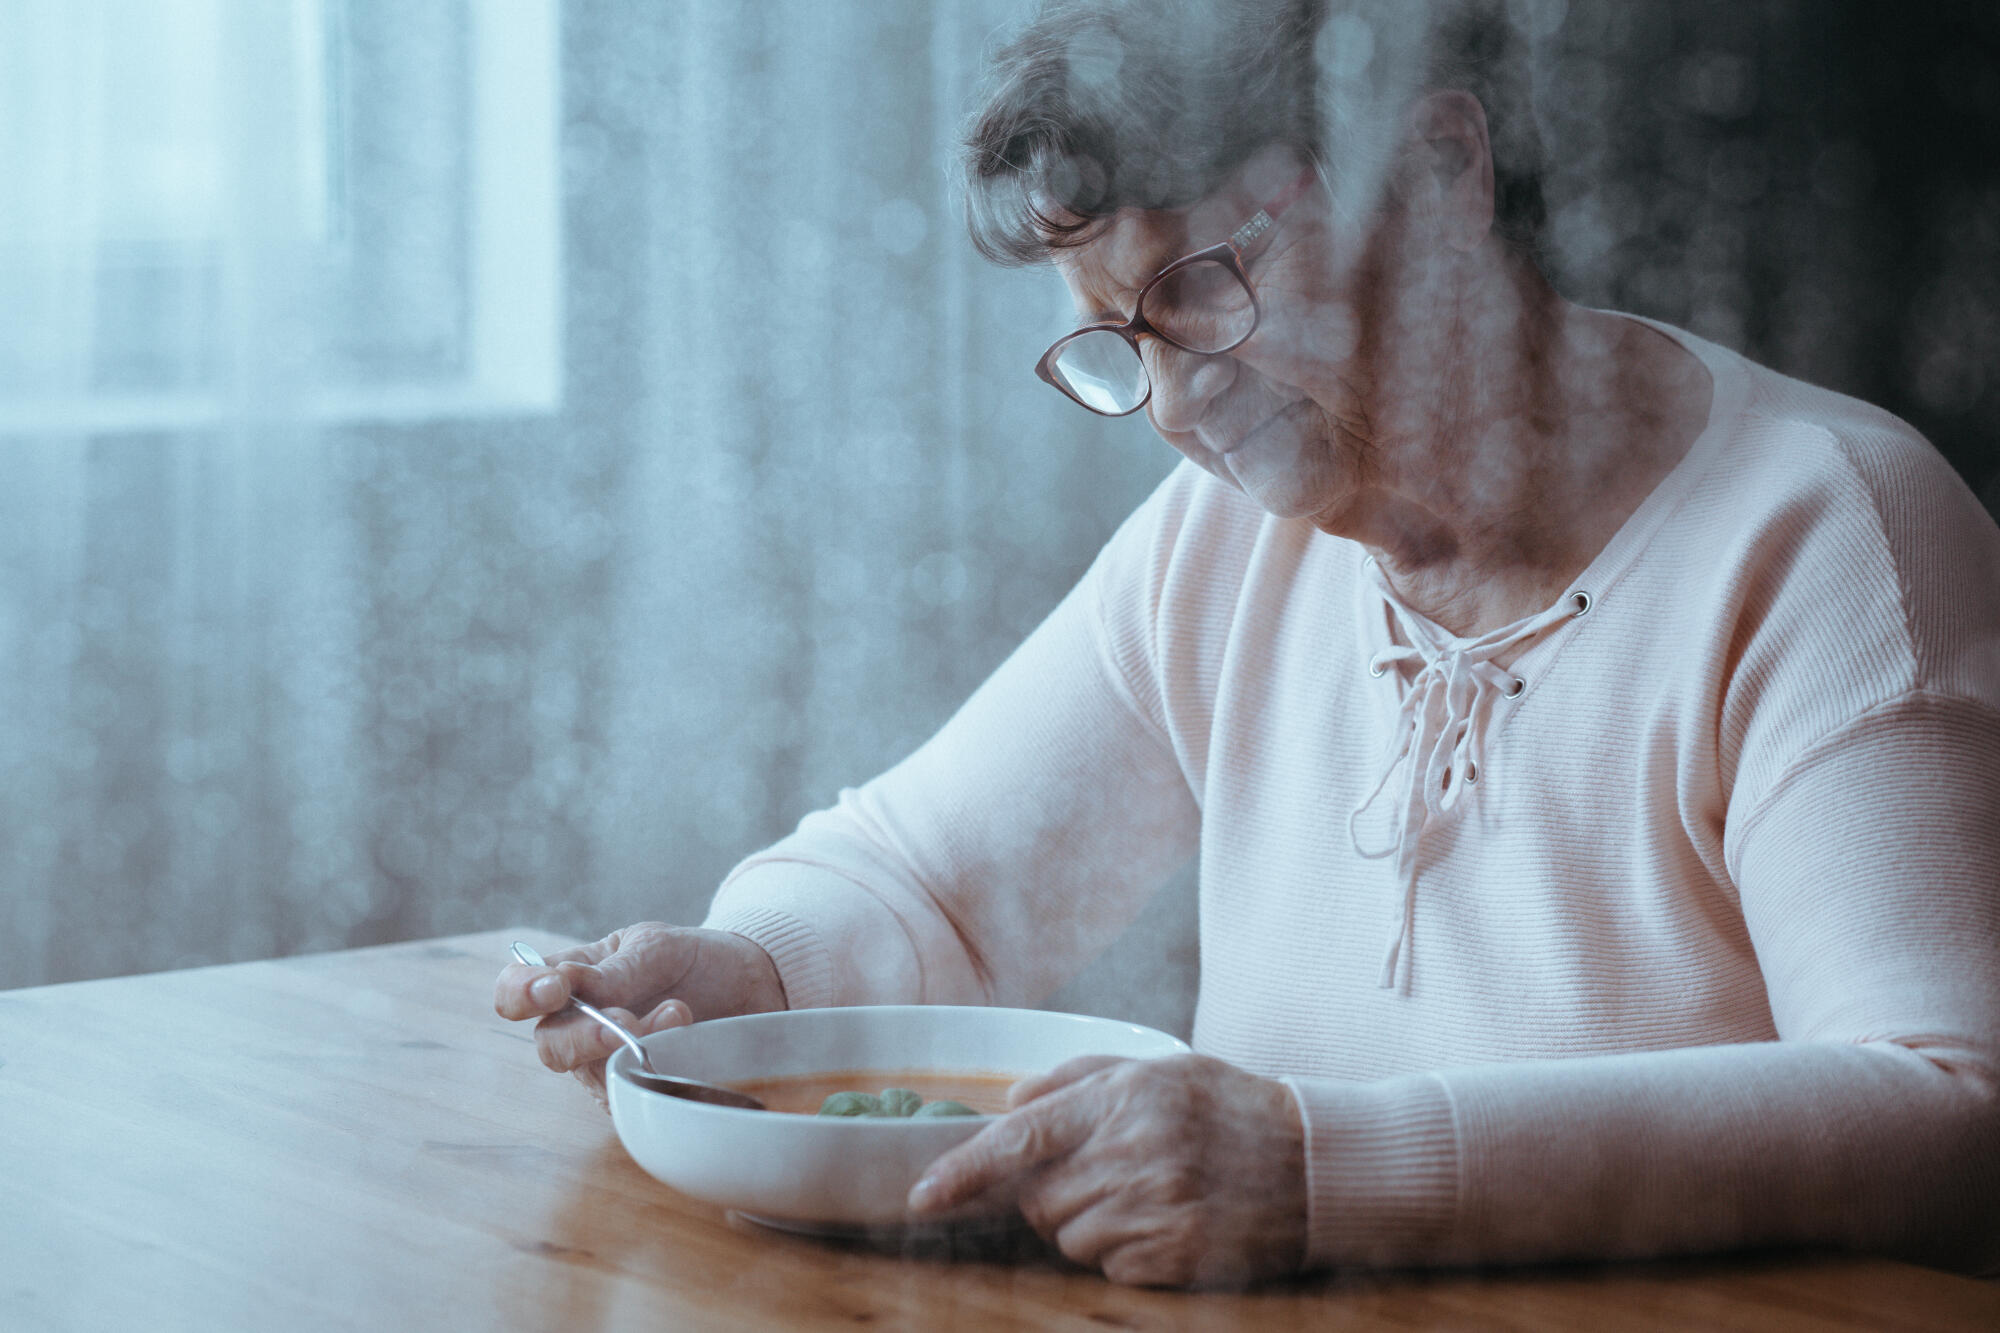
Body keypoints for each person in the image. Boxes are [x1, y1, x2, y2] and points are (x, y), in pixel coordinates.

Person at [496, 0, 2000, 1287]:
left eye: (1201, 287)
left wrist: (1321, 1167)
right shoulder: (1232, 545)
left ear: (1441, 168)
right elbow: (930, 884)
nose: (1169, 405)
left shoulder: (1827, 533)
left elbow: (1950, 1110)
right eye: (1121, 341)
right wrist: (752, 977)